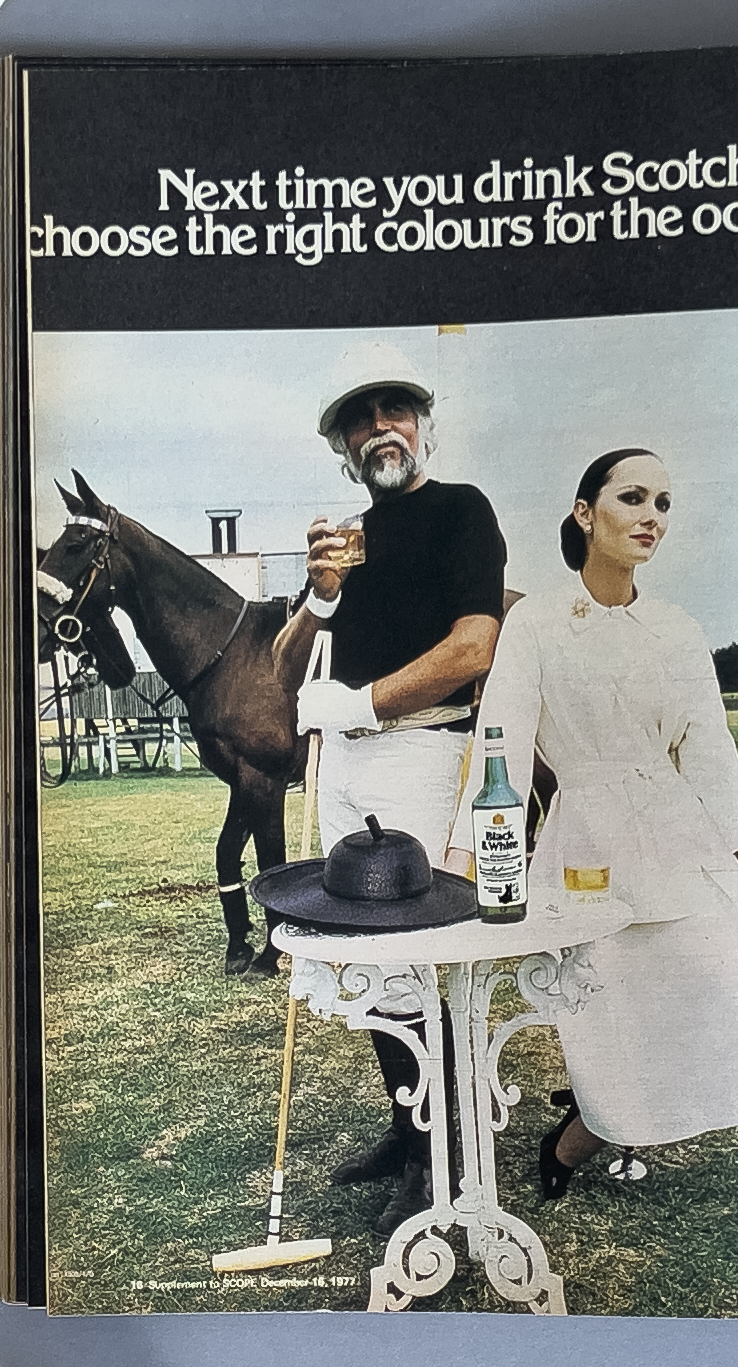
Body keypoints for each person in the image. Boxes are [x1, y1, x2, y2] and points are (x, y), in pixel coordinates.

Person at [445, 447, 738, 1303]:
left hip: (686, 840)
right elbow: (501, 751)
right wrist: (465, 869)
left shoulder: (677, 629)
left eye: (663, 501)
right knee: (625, 1043)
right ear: (584, 512)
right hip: (588, 863)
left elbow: (710, 755)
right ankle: (568, 1143)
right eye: (632, 497)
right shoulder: (537, 625)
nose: (651, 515)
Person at [272, 346, 507, 1234]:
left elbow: (473, 646)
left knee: (423, 960)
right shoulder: (344, 542)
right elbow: (284, 669)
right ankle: (412, 1133)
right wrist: (323, 598)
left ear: (423, 425)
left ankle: (444, 1154)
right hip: (345, 766)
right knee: (371, 964)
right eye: (359, 417)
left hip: (420, 754)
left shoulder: (460, 512)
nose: (380, 427)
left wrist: (364, 703)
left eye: (394, 409)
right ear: (341, 444)